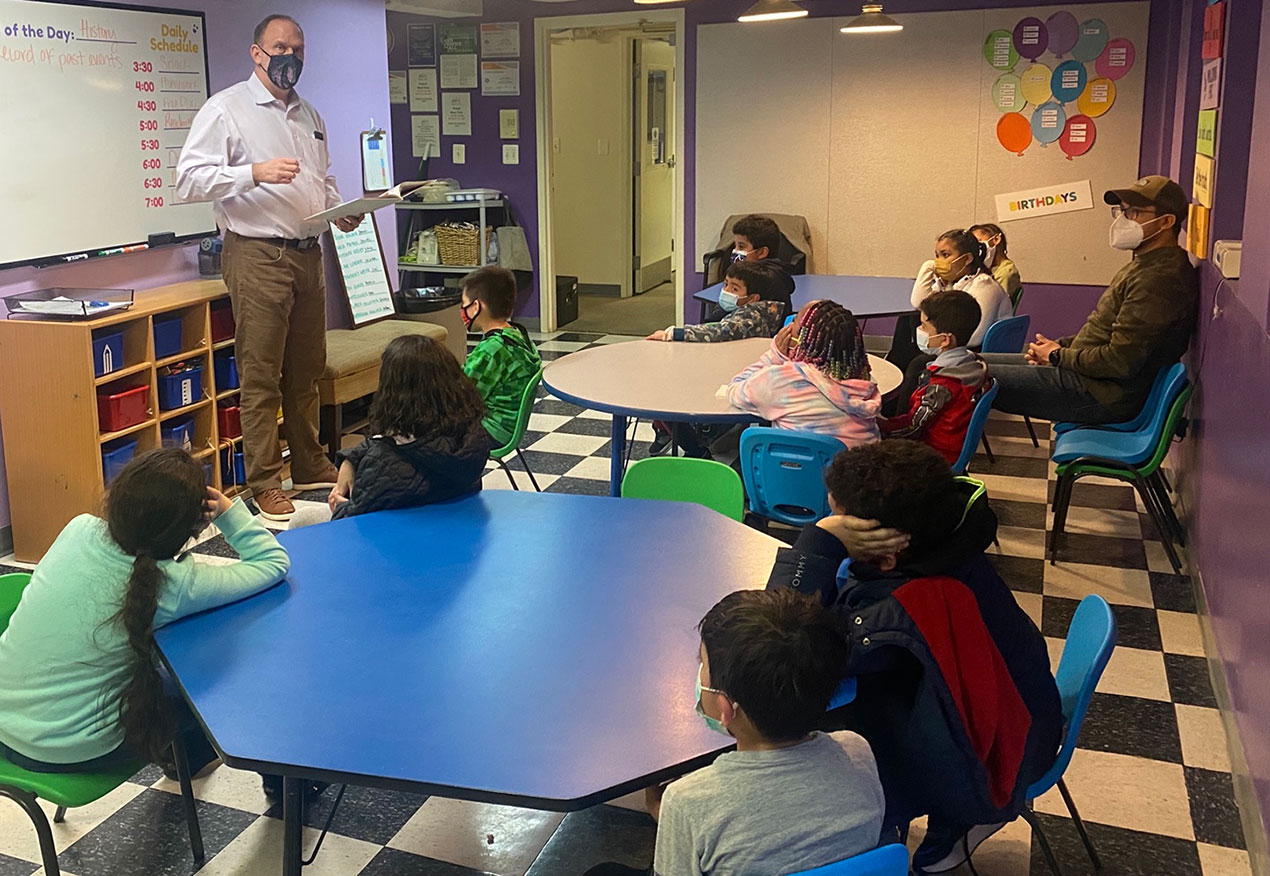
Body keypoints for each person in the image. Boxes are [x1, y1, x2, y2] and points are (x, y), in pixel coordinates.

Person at [766, 442, 1062, 874]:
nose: (827, 524)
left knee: (809, 738)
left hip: (994, 761)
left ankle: (920, 830)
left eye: (839, 522)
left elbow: (781, 644)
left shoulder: (904, 607)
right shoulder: (947, 546)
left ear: (888, 555)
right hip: (1022, 715)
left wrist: (818, 545)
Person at [0, 449, 289, 781]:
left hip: (4, 721)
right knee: (207, 679)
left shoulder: (78, 529)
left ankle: (187, 762)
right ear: (191, 527)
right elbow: (274, 563)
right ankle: (205, 766)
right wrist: (226, 510)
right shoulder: (176, 585)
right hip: (67, 750)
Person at [177, 14, 362, 523]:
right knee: (261, 374)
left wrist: (341, 211)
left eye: (299, 49)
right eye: (281, 47)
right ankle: (263, 480)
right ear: (257, 52)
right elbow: (188, 180)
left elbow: (321, 182)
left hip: (309, 252)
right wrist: (252, 172)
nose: (291, 57)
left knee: (306, 369)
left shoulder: (309, 114)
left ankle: (308, 461)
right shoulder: (227, 110)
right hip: (257, 254)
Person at [586, 589, 885, 876]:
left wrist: (676, 824)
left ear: (726, 708)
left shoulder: (688, 802)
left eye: (702, 664)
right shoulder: (857, 752)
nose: (699, 672)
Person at [981, 175, 1200, 425]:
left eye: (1135, 212)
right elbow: (1104, 332)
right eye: (1122, 211)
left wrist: (1057, 356)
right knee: (969, 362)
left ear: (1166, 222)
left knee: (964, 376)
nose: (1123, 220)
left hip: (1100, 395)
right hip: (1084, 377)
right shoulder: (1145, 264)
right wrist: (1059, 347)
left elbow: (1120, 362)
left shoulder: (1161, 280)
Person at [288, 335, 491, 528]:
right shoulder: (470, 437)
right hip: (452, 535)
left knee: (302, 520)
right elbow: (381, 442)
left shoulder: (384, 463)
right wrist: (349, 460)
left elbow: (351, 523)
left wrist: (339, 504)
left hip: (398, 551)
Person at [727, 300, 881, 448]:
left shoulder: (784, 379)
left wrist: (776, 356)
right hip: (861, 470)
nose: (789, 325)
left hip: (796, 472)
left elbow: (735, 390)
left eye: (794, 322)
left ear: (802, 340)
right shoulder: (863, 379)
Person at [880, 291, 990, 465]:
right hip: (953, 450)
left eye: (924, 326)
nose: (919, 330)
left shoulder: (942, 384)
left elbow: (912, 427)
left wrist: (881, 427)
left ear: (945, 339)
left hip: (934, 458)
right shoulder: (972, 365)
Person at [888, 229, 1012, 374]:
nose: (939, 261)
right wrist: (927, 267)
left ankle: (898, 378)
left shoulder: (985, 286)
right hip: (952, 343)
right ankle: (895, 368)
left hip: (969, 351)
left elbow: (973, 338)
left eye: (945, 255)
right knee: (908, 320)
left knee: (916, 362)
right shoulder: (952, 282)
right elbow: (919, 303)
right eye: (937, 256)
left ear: (967, 259)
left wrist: (938, 342)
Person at [459, 266, 542, 448]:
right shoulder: (519, 335)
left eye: (464, 304)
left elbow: (459, 395)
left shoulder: (493, 349)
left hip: (491, 430)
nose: (462, 311)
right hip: (509, 427)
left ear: (476, 306)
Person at [648, 260, 791, 343]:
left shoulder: (751, 317)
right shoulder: (763, 309)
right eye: (726, 284)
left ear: (753, 298)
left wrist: (672, 333)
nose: (726, 291)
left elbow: (721, 331)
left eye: (735, 289)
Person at [969, 222, 1021, 306]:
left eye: (979, 242)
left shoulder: (1006, 272)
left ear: (996, 239)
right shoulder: (988, 268)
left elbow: (993, 304)